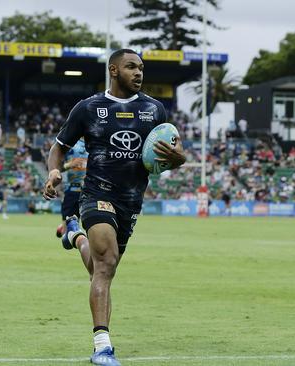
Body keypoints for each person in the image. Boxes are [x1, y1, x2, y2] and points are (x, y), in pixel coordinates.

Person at [43, 49, 186, 366]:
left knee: (100, 268)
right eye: (131, 67)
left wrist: (179, 159)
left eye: (142, 68)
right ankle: (102, 347)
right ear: (113, 69)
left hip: (131, 201)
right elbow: (58, 148)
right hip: (96, 194)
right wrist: (54, 172)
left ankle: (76, 238)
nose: (139, 73)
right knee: (106, 264)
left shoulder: (154, 109)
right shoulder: (89, 108)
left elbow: (175, 153)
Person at [56, 138, 93, 276]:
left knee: (92, 228)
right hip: (72, 191)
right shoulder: (70, 143)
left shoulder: (95, 141)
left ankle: (69, 229)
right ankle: (66, 229)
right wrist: (69, 164)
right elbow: (55, 167)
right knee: (67, 240)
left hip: (90, 192)